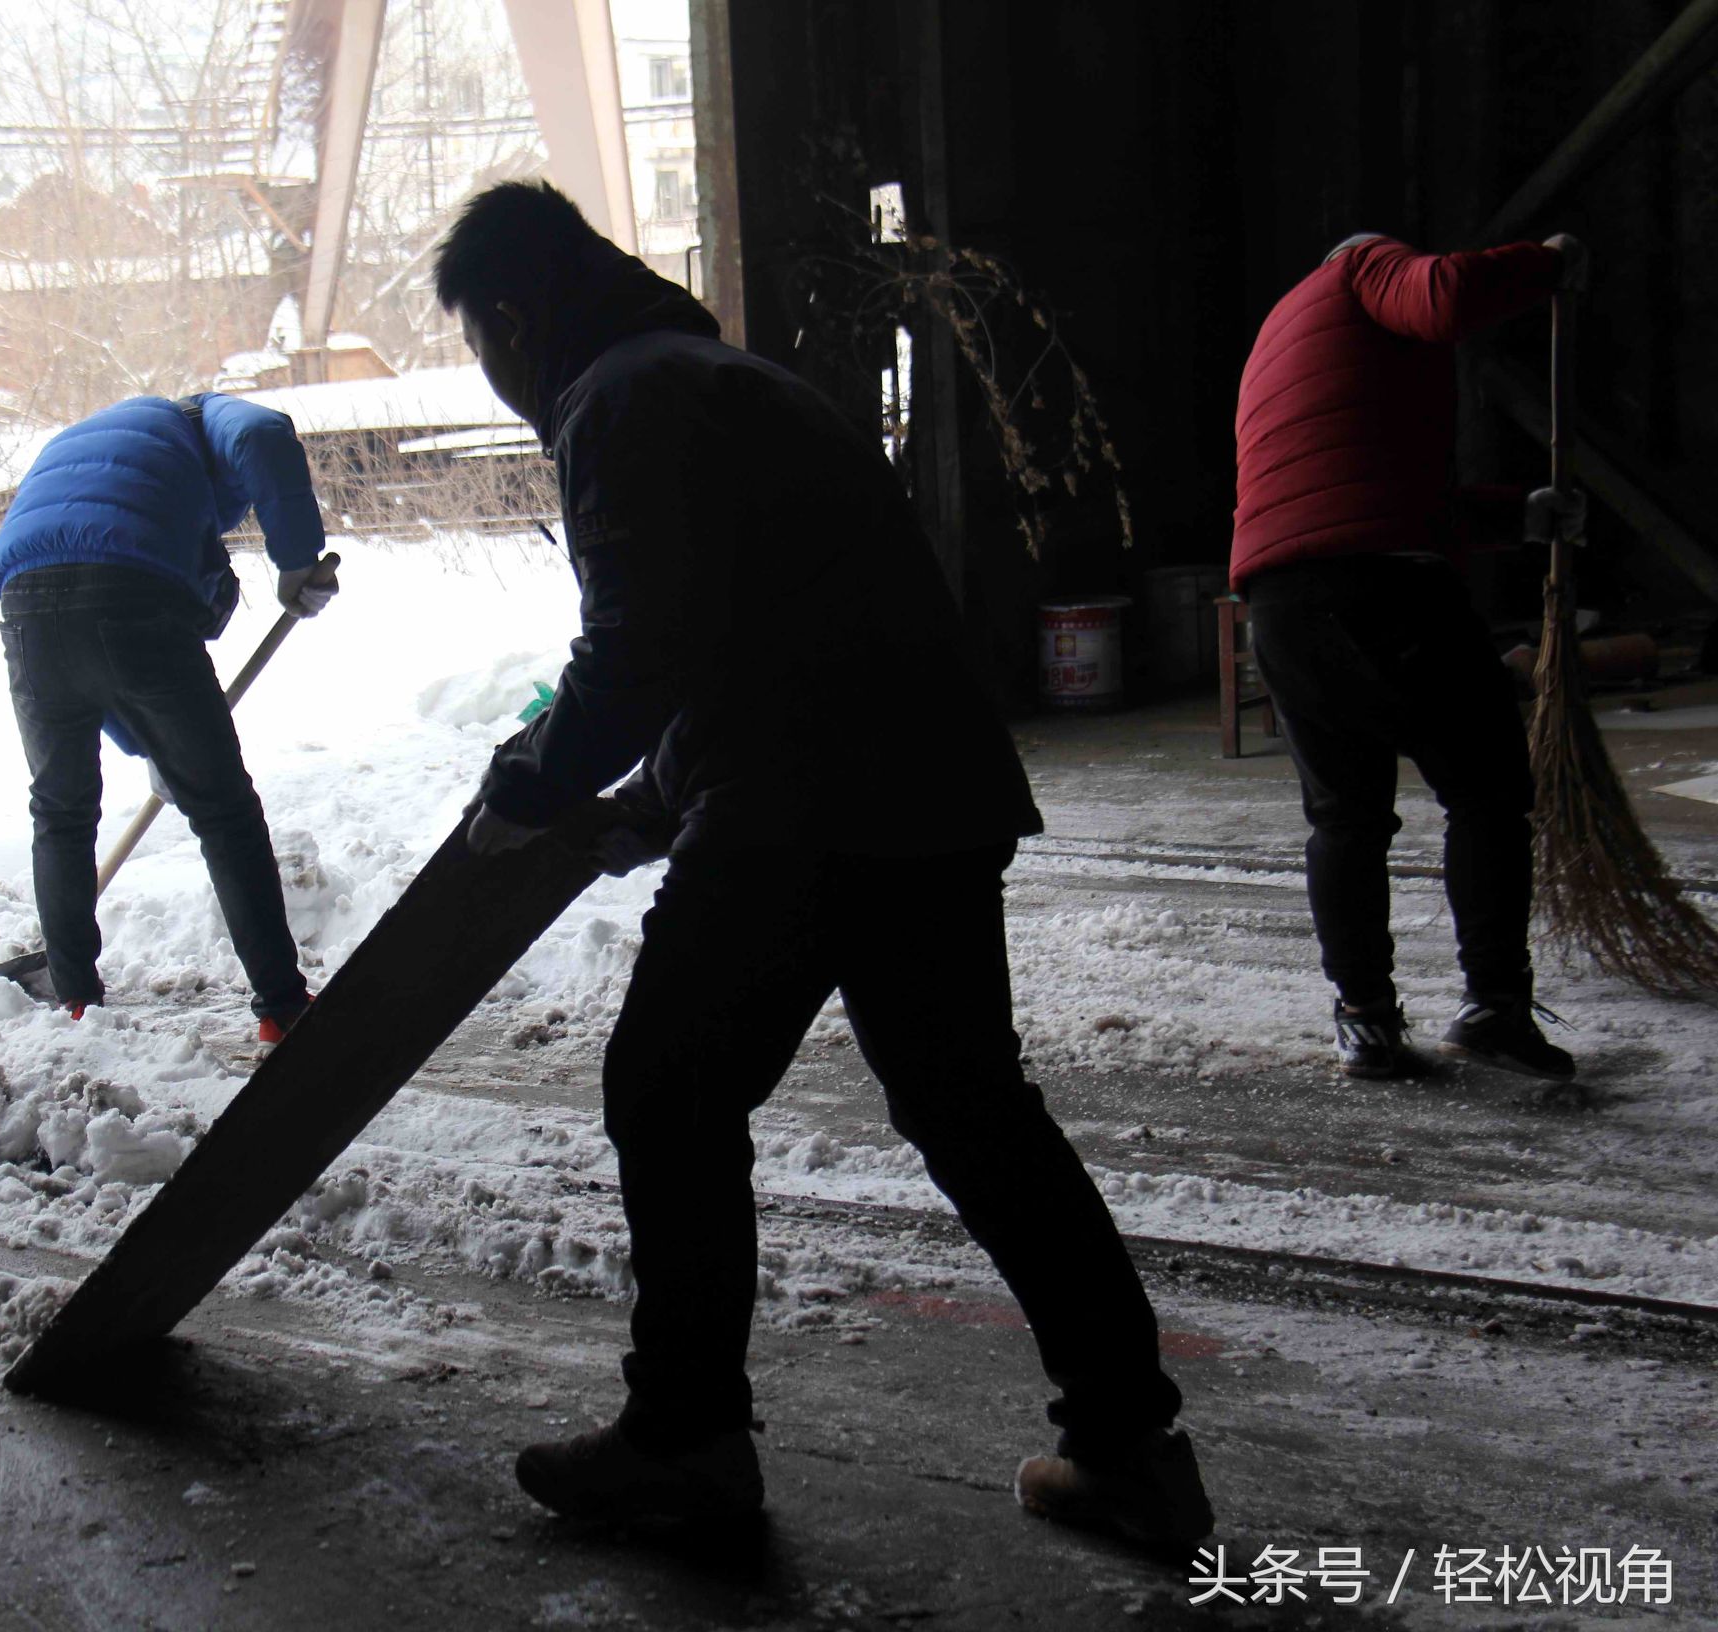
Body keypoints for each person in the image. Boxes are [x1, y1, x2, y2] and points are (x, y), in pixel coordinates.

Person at [432, 180, 1210, 1550]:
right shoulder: (724, 382)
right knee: (973, 1111)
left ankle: (684, 1439)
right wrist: (647, 805)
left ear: (509, 313)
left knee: (666, 1087)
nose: (493, 378)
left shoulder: (620, 399)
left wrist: (534, 777)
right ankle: (1127, 1446)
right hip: (924, 787)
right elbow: (746, 640)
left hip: (809, 800)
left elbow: (635, 648)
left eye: (480, 346)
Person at [1231, 232, 1587, 1082]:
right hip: (1387, 591)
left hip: (1280, 603)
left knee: (1344, 818)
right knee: (1488, 792)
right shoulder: (1358, 269)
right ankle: (1494, 1006)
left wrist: (1516, 516)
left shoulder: (1276, 336)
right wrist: (1547, 264)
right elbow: (1442, 296)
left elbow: (1353, 492)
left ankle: (1364, 1021)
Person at [0, 393, 338, 1044]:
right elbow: (265, 436)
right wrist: (296, 560)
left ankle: (75, 997)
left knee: (60, 811)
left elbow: (97, 654)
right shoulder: (203, 415)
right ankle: (283, 1007)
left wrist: (154, 746)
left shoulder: (102, 437)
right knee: (223, 811)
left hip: (27, 603)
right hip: (132, 590)